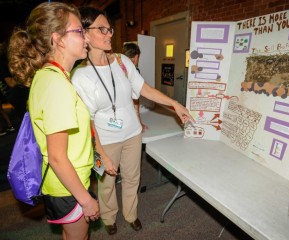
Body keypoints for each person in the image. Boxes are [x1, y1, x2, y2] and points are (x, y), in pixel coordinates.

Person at [71, 6, 193, 236]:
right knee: (107, 183)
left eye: (110, 29)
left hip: (132, 134)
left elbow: (145, 89)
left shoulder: (121, 62)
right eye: (102, 29)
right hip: (105, 140)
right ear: (85, 34)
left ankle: (131, 214)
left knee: (132, 178)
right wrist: (101, 153)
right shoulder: (80, 75)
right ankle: (108, 217)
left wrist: (174, 104)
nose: (109, 34)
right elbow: (86, 121)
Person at [8, 2, 99, 239]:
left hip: (59, 184)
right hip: (68, 186)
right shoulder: (57, 84)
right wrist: (86, 199)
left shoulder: (47, 76)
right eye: (79, 31)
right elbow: (58, 157)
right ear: (58, 39)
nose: (85, 37)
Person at [122, 42, 148, 132]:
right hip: (128, 112)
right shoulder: (134, 71)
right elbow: (135, 98)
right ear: (136, 56)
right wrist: (139, 123)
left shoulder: (115, 66)